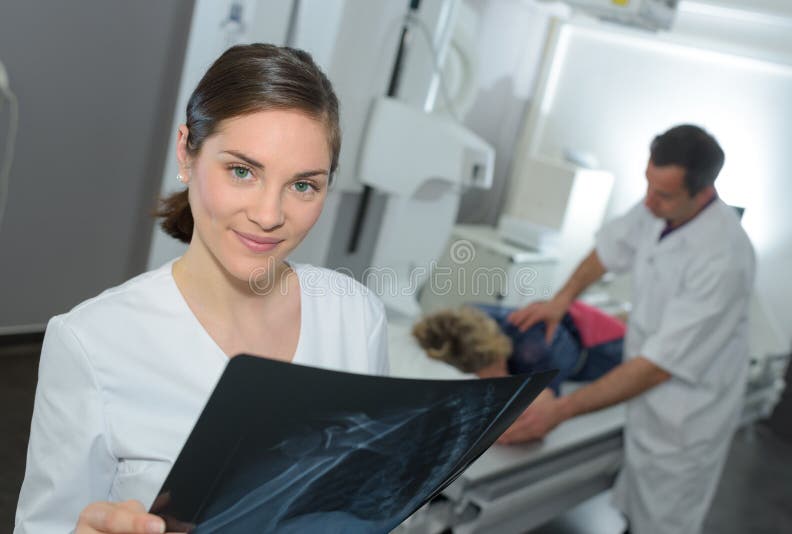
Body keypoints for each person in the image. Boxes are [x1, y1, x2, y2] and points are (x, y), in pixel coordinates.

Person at [14, 44, 388, 534]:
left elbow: (375, 499)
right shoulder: (91, 342)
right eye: (242, 171)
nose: (269, 215)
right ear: (186, 153)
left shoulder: (355, 317)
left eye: (303, 185)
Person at [500, 124, 755, 534]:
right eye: (648, 185)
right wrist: (561, 299)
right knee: (635, 510)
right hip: (644, 383)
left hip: (686, 416)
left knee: (664, 522)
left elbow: (658, 366)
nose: (649, 201)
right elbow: (608, 250)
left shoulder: (724, 257)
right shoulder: (658, 205)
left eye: (664, 194)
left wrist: (560, 411)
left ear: (703, 192)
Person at [412, 301, 625, 400]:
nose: (500, 374)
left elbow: (543, 405)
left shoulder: (532, 352)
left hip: (601, 346)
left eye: (497, 367)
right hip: (569, 320)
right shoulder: (469, 321)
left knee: (634, 362)